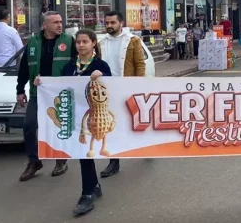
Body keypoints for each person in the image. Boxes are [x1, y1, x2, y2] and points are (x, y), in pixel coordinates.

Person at [35, 29, 112, 216]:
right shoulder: (69, 67)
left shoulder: (101, 65)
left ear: (93, 43)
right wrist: (43, 83)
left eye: (85, 41)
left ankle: (87, 194)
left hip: (95, 116)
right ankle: (92, 186)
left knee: (86, 154)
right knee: (83, 154)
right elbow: (61, 87)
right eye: (78, 42)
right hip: (76, 117)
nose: (81, 45)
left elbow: (112, 89)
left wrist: (100, 77)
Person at [16, 11, 75, 181]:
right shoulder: (33, 42)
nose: (59, 25)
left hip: (61, 92)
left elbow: (77, 65)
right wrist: (20, 90)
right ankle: (34, 161)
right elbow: (25, 68)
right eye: (55, 22)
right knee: (29, 126)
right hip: (38, 92)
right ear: (45, 25)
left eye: (60, 21)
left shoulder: (68, 41)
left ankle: (61, 160)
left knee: (59, 127)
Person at [96, 11, 146, 178]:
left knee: (133, 121)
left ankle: (146, 144)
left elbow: (139, 64)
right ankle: (114, 161)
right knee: (111, 126)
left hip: (126, 87)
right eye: (107, 22)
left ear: (121, 23)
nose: (109, 25)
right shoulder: (101, 42)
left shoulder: (132, 40)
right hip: (108, 90)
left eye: (112, 23)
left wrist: (139, 85)